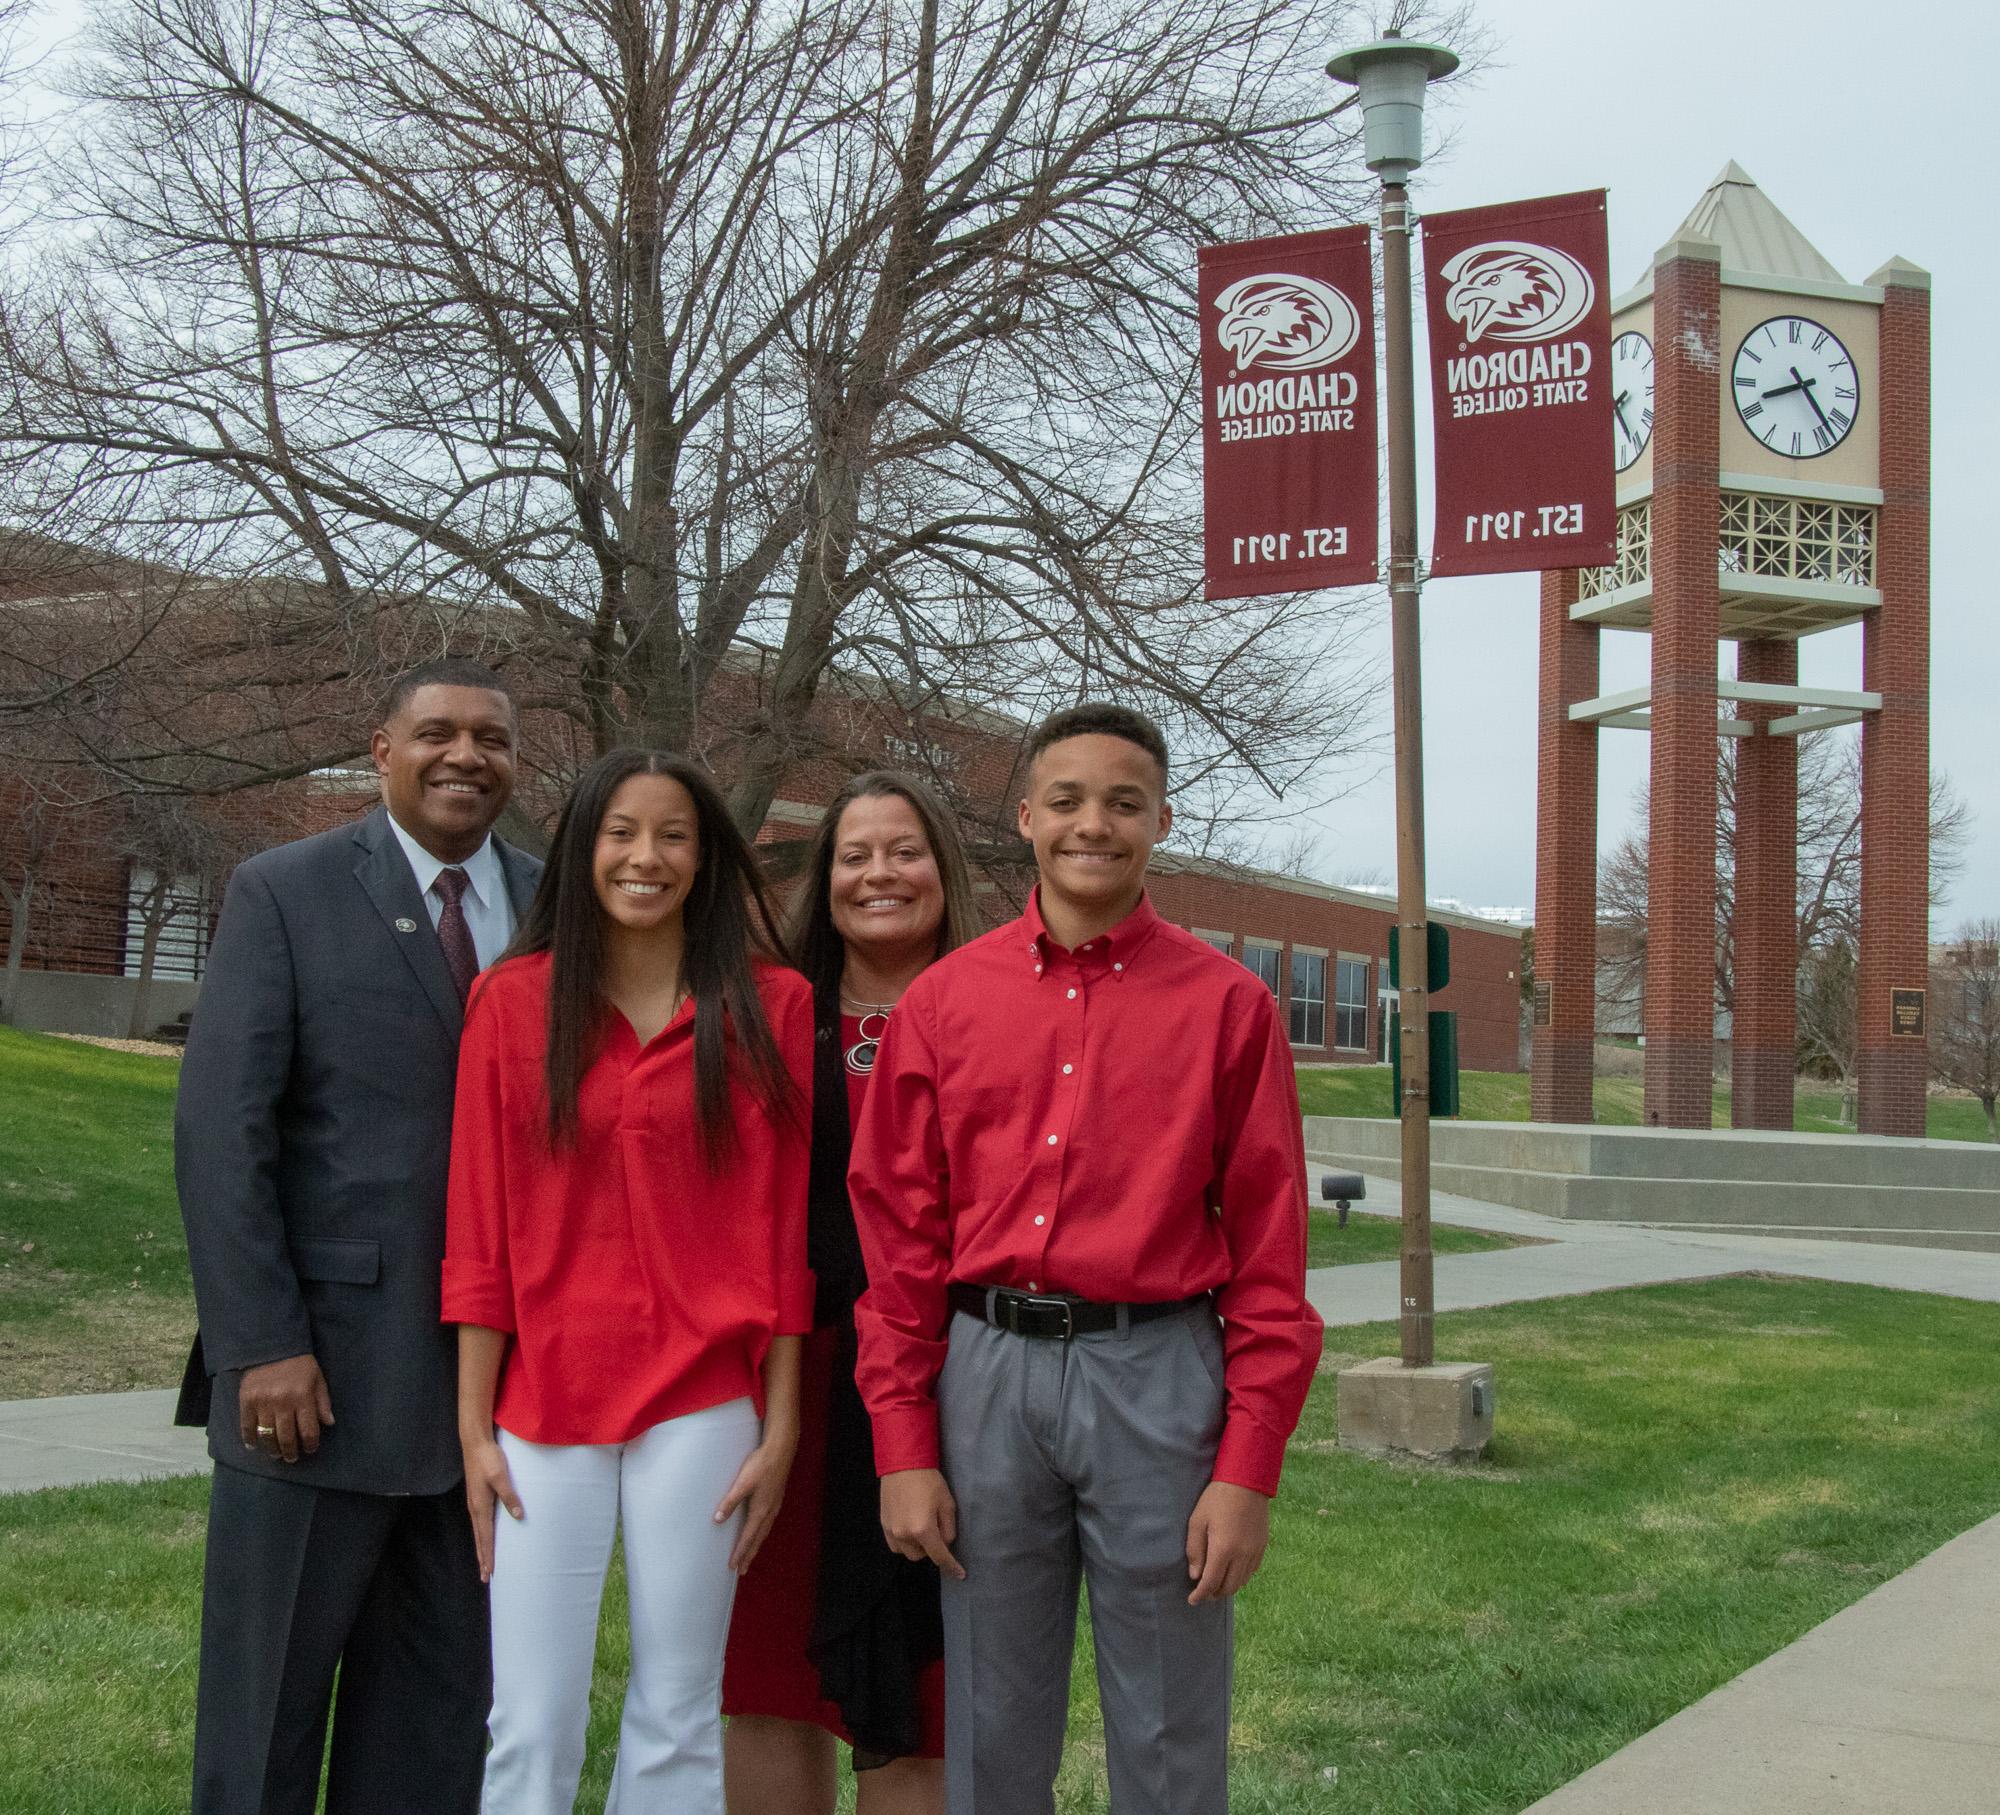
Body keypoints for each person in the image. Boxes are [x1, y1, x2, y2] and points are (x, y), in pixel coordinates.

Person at [848, 704, 1325, 1815]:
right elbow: (900, 1239)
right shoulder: (943, 1003)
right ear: (1024, 818)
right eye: (1065, 800)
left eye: (1122, 802)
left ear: (1161, 819)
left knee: (1167, 1718)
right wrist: (902, 1443)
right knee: (990, 1718)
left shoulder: (1228, 1008)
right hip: (985, 1374)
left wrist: (1246, 1465)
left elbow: (1267, 1254)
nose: (1092, 825)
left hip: (1154, 1376)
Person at [174, 658, 540, 1815]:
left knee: (434, 1730)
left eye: (490, 737)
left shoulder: (555, 904)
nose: (464, 756)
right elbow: (222, 1132)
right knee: (263, 1721)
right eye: (436, 732)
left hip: (493, 1403)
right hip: (315, 1385)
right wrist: (259, 1344)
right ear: (381, 749)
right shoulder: (282, 891)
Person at [445, 749, 814, 1814]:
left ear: (704, 860)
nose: (644, 857)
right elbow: (479, 1228)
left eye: (672, 836)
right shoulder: (510, 1004)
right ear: (581, 849)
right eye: (620, 833)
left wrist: (779, 1425)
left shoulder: (769, 1007)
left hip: (704, 1402)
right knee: (530, 1714)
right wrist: (475, 1429)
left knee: (678, 1710)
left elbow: (781, 1232)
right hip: (543, 1403)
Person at [723, 771, 979, 1815]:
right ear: (823, 880)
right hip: (788, 1382)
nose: (880, 873)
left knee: (920, 1686)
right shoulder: (765, 1015)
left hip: (945, 1385)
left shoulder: (998, 1004)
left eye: (904, 850)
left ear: (943, 871)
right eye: (854, 854)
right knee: (767, 1682)